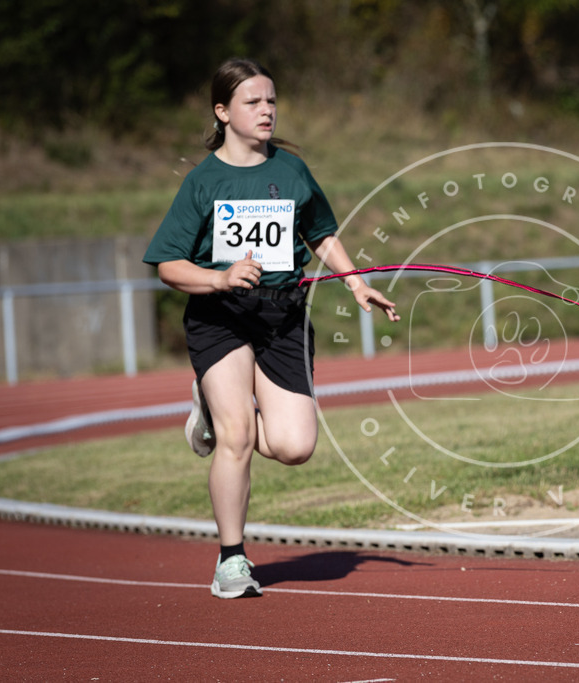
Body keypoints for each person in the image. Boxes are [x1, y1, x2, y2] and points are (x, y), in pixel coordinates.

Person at [144, 58, 399, 599]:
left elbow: (322, 233)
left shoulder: (291, 171)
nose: (266, 110)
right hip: (222, 317)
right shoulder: (203, 182)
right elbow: (168, 265)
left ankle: (211, 410)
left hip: (283, 316)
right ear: (222, 111)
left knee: (294, 445)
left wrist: (355, 283)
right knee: (237, 436)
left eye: (271, 100)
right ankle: (232, 560)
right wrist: (219, 278)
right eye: (252, 102)